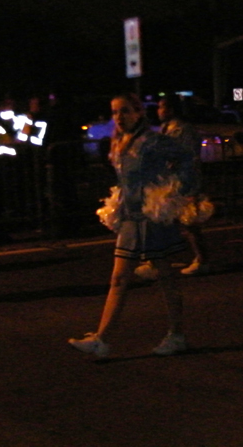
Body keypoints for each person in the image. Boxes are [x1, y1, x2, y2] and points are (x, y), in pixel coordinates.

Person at [68, 93, 196, 358]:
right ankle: (101, 340)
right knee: (118, 278)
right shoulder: (119, 141)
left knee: (166, 277)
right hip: (129, 218)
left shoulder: (152, 141)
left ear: (139, 113)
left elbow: (186, 156)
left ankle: (177, 334)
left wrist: (173, 192)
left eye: (125, 111)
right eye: (115, 112)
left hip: (151, 218)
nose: (119, 117)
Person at [158, 94, 211, 275]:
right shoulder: (166, 128)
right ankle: (159, 261)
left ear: (171, 110)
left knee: (190, 223)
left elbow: (189, 158)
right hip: (170, 182)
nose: (159, 111)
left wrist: (191, 188)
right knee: (166, 222)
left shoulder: (183, 130)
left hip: (183, 182)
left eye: (162, 107)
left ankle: (202, 260)